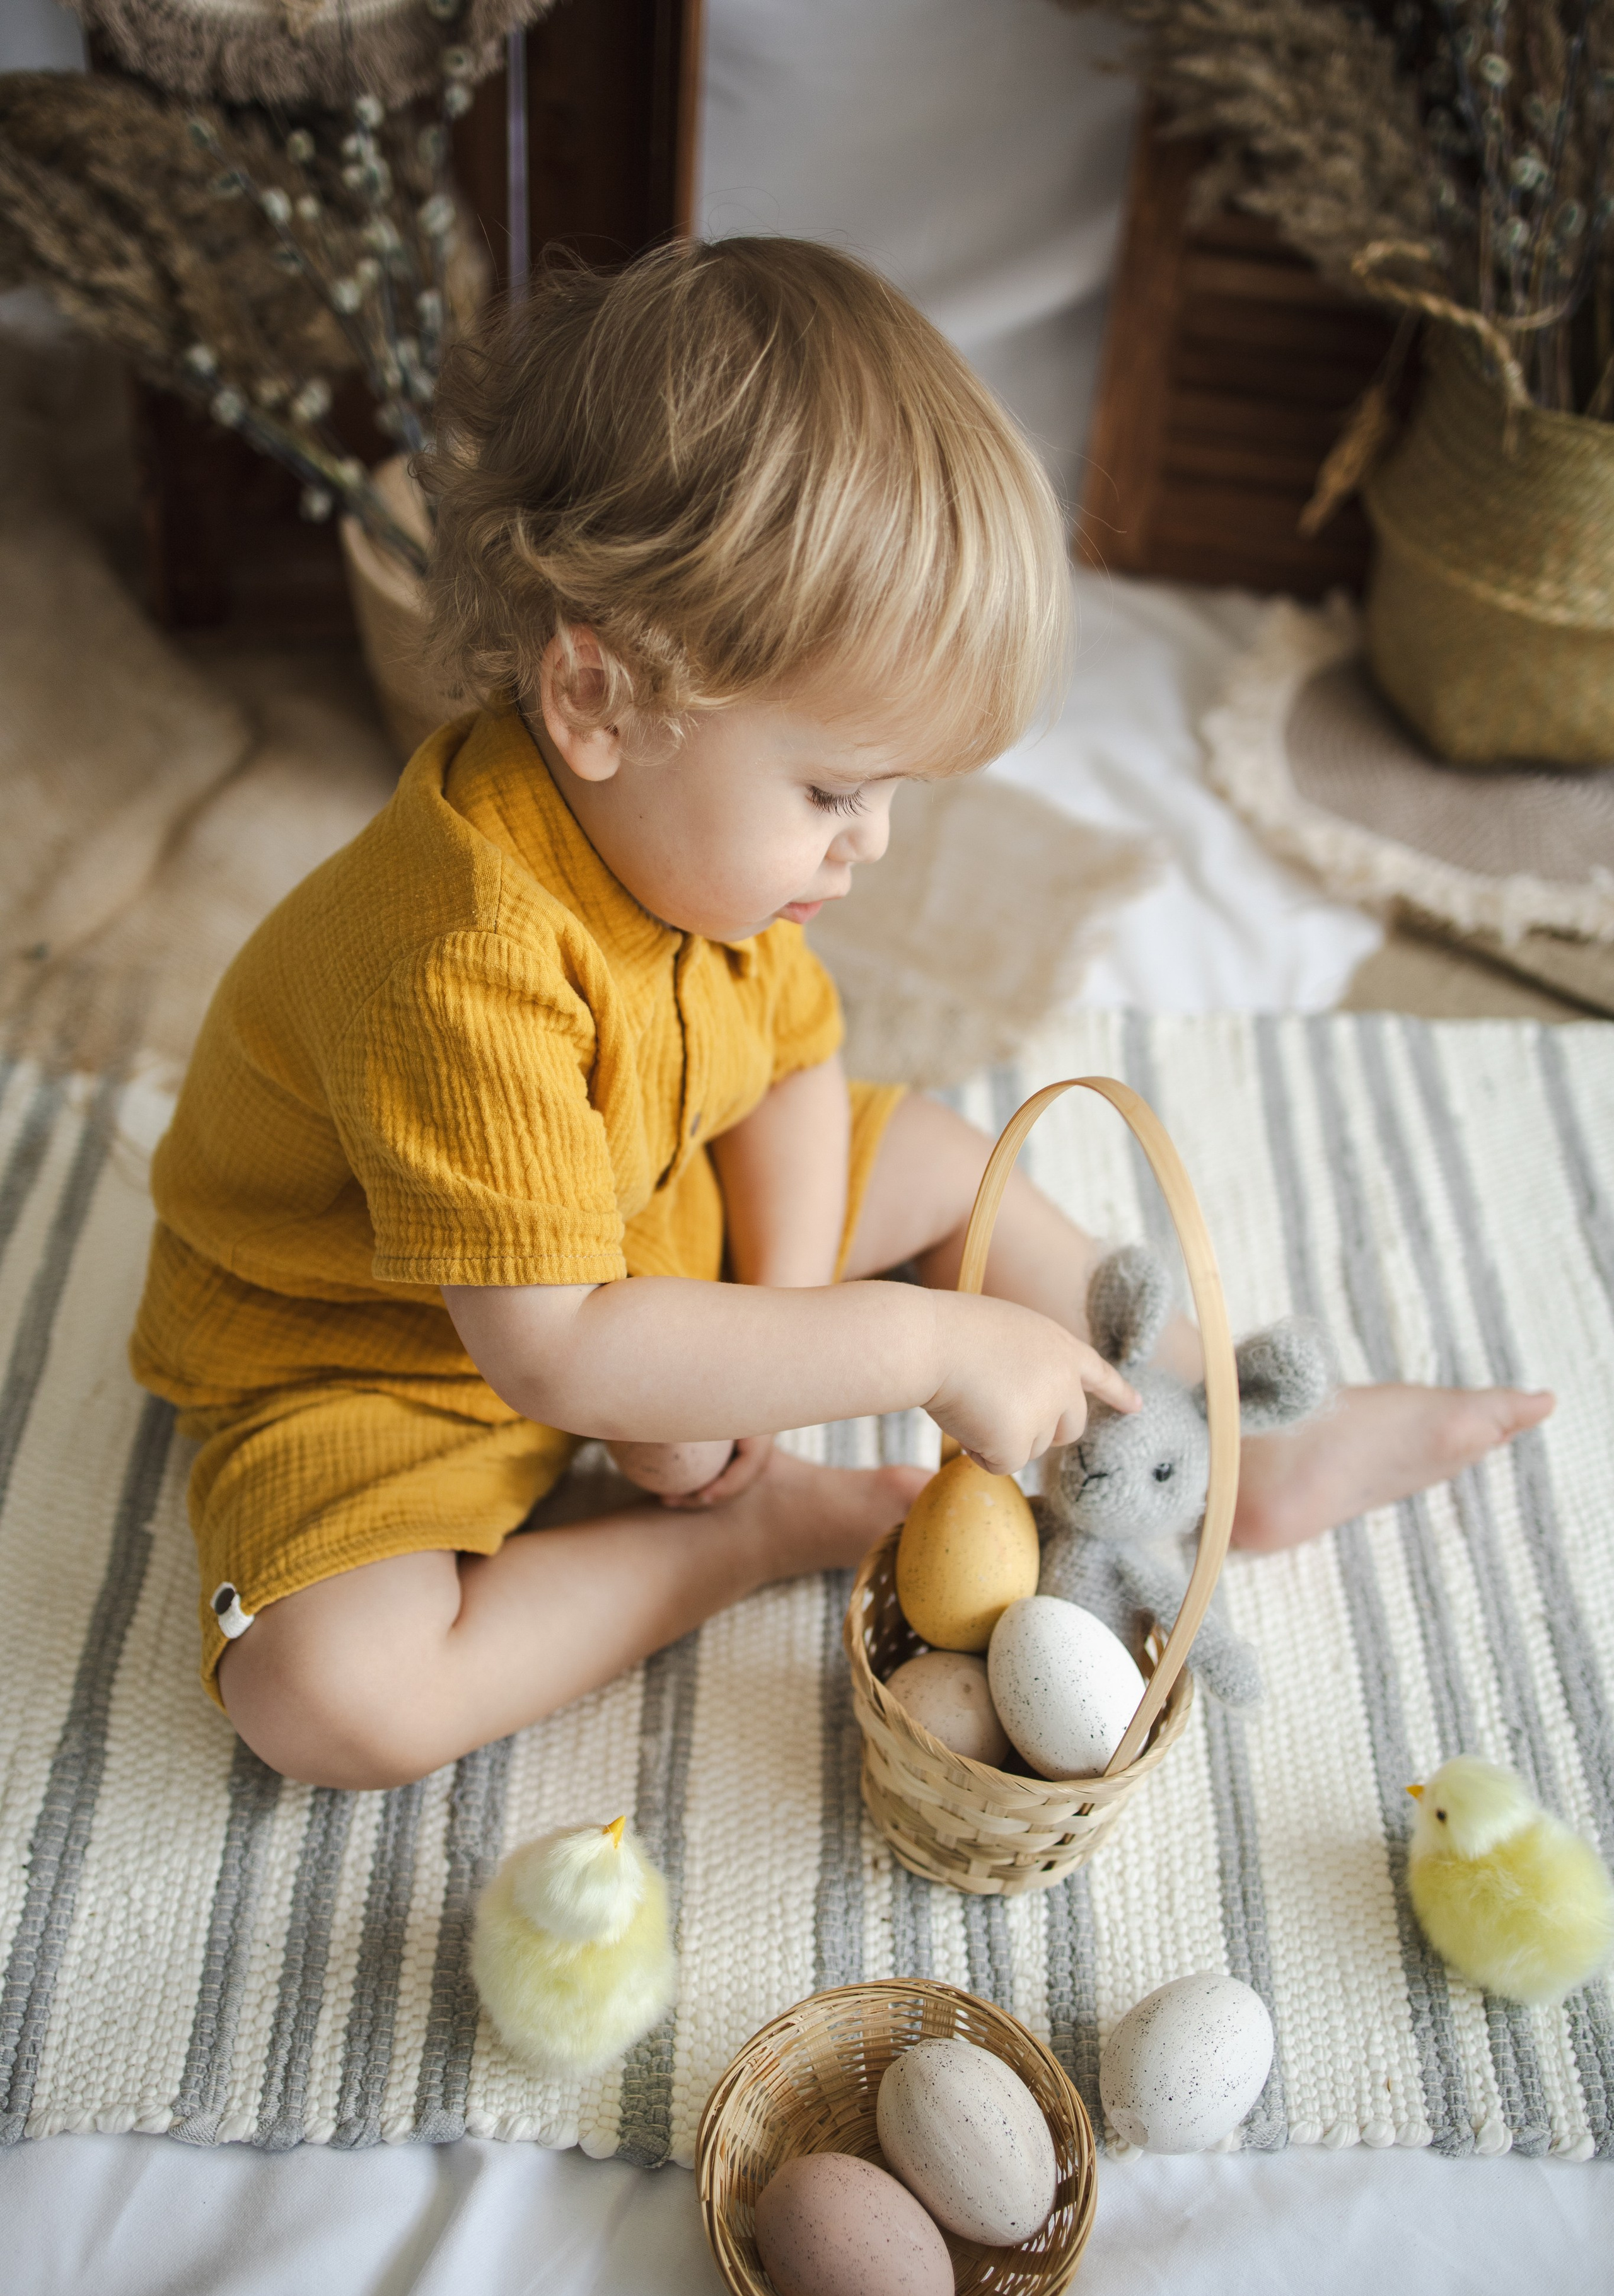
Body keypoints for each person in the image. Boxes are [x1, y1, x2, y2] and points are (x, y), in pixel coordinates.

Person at [130, 238, 1551, 1792]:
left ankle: (1212, 1435)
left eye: (884, 794)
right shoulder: (457, 953)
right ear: (595, 701)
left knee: (935, 1157)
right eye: (830, 790)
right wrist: (911, 1345)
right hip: (379, 1344)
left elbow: (792, 1075)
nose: (865, 845)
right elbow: (554, 1358)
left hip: (625, 1232)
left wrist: (786, 1324)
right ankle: (733, 1549)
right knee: (331, 1698)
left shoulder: (695, 858)